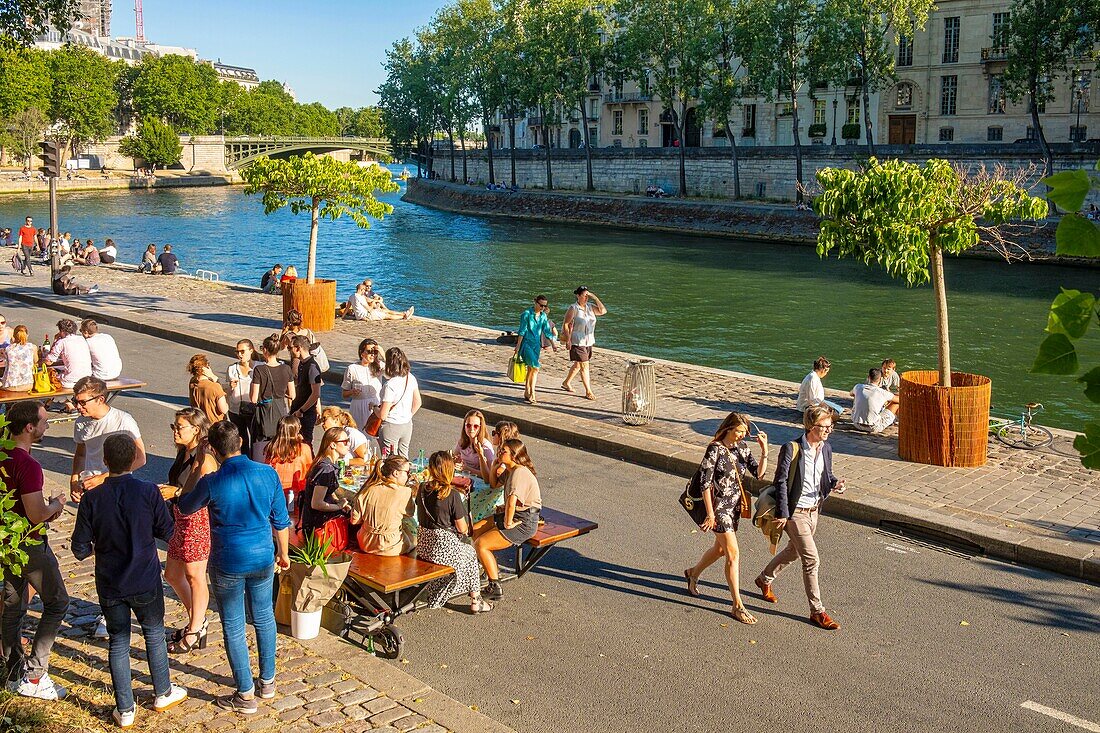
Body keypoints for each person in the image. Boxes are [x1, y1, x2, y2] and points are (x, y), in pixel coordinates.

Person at [71, 433, 187, 727]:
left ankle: (124, 708)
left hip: (110, 580)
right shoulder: (148, 492)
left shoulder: (92, 498)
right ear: (135, 459)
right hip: (144, 576)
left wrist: (100, 544)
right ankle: (163, 691)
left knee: (118, 641)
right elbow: (167, 531)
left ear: (106, 461)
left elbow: (79, 549)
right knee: (153, 633)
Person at [178, 421, 291, 714]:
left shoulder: (212, 480)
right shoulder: (267, 473)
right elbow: (280, 521)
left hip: (228, 558)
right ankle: (267, 682)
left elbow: (186, 506)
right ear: (240, 440)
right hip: (262, 554)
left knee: (233, 624)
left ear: (214, 449)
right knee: (265, 617)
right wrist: (284, 554)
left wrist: (201, 463)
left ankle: (245, 693)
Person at [755, 405, 846, 631]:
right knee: (811, 559)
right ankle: (817, 611)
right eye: (825, 426)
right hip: (795, 512)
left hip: (814, 510)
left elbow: (827, 476)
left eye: (830, 426)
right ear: (811, 426)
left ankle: (764, 579)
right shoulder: (792, 448)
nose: (829, 430)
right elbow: (781, 482)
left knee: (794, 551)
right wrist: (784, 514)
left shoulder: (826, 448)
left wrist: (835, 484)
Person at [1, 401, 70, 701]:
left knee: (13, 606)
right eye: (44, 421)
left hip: (7, 543)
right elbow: (35, 513)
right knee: (58, 603)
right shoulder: (27, 465)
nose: (47, 426)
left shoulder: (3, 454)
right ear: (29, 427)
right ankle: (34, 672)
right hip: (29, 544)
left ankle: (12, 668)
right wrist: (55, 505)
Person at [683, 413, 769, 625]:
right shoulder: (715, 449)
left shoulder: (743, 448)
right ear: (728, 428)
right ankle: (737, 606)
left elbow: (758, 474)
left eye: (744, 432)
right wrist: (710, 514)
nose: (742, 435)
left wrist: (765, 451)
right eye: (738, 431)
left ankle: (692, 573)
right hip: (719, 508)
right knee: (733, 554)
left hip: (734, 507)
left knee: (720, 550)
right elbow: (704, 483)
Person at [161, 408, 217, 656]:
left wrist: (174, 492)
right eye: (173, 426)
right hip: (178, 517)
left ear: (196, 429)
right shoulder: (184, 453)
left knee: (195, 575)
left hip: (196, 520)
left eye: (179, 427)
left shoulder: (205, 459)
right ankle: (198, 620)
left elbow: (204, 493)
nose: (174, 431)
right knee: (172, 574)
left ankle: (195, 628)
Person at [416, 452, 490, 612]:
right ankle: (476, 600)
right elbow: (463, 529)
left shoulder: (422, 488)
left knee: (466, 552)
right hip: (442, 547)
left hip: (423, 545)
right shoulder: (452, 495)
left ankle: (437, 592)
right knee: (470, 553)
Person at [471, 438, 542, 602]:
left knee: (481, 544)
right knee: (475, 530)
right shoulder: (510, 470)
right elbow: (493, 484)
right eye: (500, 449)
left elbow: (511, 501)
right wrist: (495, 466)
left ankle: (495, 586)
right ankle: (487, 567)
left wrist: (508, 523)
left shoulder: (519, 472)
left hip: (523, 521)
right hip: (512, 515)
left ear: (514, 455)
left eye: (504, 451)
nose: (499, 452)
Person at [70, 376, 146, 502]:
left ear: (100, 399)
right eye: (75, 401)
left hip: (117, 486)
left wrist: (103, 478)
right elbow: (80, 455)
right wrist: (74, 482)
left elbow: (140, 458)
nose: (78, 407)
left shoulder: (123, 420)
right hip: (89, 486)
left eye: (83, 402)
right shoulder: (80, 422)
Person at [350, 454, 416, 556]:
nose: (409, 476)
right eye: (407, 472)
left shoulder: (368, 488)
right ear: (396, 473)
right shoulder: (405, 492)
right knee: (414, 532)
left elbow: (354, 521)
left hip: (366, 543)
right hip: (391, 546)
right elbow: (410, 514)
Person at [298, 426, 352, 540]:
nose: (349, 445)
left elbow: (328, 491)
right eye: (345, 442)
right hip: (317, 527)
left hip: (313, 522)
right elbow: (316, 504)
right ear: (333, 445)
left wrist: (339, 502)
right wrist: (338, 506)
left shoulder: (325, 463)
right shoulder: (326, 468)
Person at [560, 286, 608, 400]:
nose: (586, 298)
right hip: (577, 341)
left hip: (589, 341)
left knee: (578, 364)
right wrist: (568, 340)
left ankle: (566, 383)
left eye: (588, 296)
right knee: (584, 365)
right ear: (578, 295)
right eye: (584, 295)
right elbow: (566, 324)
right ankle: (588, 391)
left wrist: (594, 297)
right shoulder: (573, 308)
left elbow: (603, 311)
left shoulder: (590, 307)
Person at [373, 347, 421, 458]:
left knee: (389, 459)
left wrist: (374, 407)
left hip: (391, 425)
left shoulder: (390, 385)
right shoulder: (410, 378)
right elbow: (418, 402)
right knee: (403, 457)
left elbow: (383, 415)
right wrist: (407, 415)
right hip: (407, 424)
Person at [249, 333, 295, 444]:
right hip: (280, 411)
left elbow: (254, 398)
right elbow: (293, 395)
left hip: (264, 413)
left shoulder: (259, 370)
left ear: (264, 350)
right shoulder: (286, 369)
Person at [262, 416, 314, 511]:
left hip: (276, 495)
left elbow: (267, 472)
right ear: (296, 430)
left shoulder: (272, 448)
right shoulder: (304, 448)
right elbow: (309, 473)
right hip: (298, 495)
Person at [514, 295, 557, 404]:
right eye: (541, 305)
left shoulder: (543, 316)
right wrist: (518, 346)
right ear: (535, 302)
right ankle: (532, 393)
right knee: (535, 367)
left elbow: (547, 331)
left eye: (544, 306)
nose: (542, 308)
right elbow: (522, 331)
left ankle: (527, 391)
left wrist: (553, 344)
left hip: (536, 346)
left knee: (531, 369)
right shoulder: (526, 314)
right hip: (526, 344)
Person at [342, 338, 384, 431]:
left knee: (376, 436)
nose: (373, 354)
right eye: (369, 351)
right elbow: (344, 394)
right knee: (359, 435)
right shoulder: (352, 368)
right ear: (362, 353)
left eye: (375, 352)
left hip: (375, 406)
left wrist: (382, 353)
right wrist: (352, 391)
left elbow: (393, 370)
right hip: (358, 407)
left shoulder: (380, 366)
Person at [288, 335, 322, 444]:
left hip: (305, 414)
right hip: (297, 410)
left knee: (305, 444)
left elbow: (315, 393)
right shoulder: (302, 364)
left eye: (290, 348)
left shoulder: (312, 366)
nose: (289, 351)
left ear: (298, 348)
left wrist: (301, 410)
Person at [43, 319, 93, 389]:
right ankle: (62, 400)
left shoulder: (61, 342)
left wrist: (55, 340)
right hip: (87, 377)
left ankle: (60, 399)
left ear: (62, 331)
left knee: (49, 376)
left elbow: (48, 362)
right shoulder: (81, 339)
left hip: (70, 381)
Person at [226, 339, 257, 453]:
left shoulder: (259, 367)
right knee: (241, 440)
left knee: (255, 440)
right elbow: (228, 391)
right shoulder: (232, 369)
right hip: (236, 409)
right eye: (237, 352)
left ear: (251, 350)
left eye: (242, 351)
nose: (240, 355)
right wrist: (230, 386)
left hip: (253, 408)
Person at [851, 368, 900, 434]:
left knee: (857, 396)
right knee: (895, 404)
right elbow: (899, 400)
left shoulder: (858, 387)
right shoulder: (882, 392)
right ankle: (897, 421)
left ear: (868, 377)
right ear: (880, 380)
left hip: (856, 424)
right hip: (873, 427)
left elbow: (851, 394)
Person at [187, 354, 229, 425]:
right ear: (206, 368)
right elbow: (224, 409)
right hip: (216, 424)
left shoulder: (193, 382)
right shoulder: (214, 386)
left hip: (201, 423)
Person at [454, 409, 495, 475]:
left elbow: (489, 474)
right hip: (462, 478)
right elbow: (454, 458)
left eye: (476, 426)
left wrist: (467, 469)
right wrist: (456, 461)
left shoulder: (486, 446)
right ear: (464, 426)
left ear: (481, 428)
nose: (471, 429)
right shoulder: (462, 441)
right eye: (468, 425)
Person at [3, 325, 38, 392]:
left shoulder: (8, 349)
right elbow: (36, 361)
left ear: (13, 336)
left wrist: (12, 342)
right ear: (27, 335)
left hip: (11, 386)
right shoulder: (33, 347)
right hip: (28, 385)